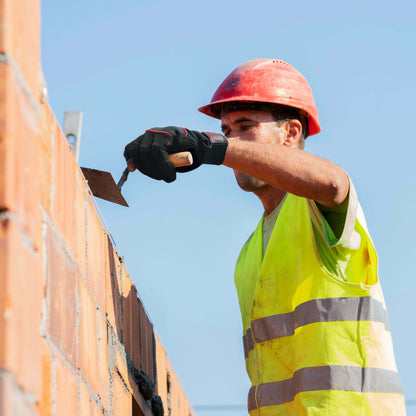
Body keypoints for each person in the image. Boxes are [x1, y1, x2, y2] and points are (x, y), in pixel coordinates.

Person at [124, 59, 406, 415]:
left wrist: (212, 148)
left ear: (290, 133)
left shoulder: (315, 210)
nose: (232, 139)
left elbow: (334, 184)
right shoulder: (249, 254)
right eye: (226, 130)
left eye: (245, 125)